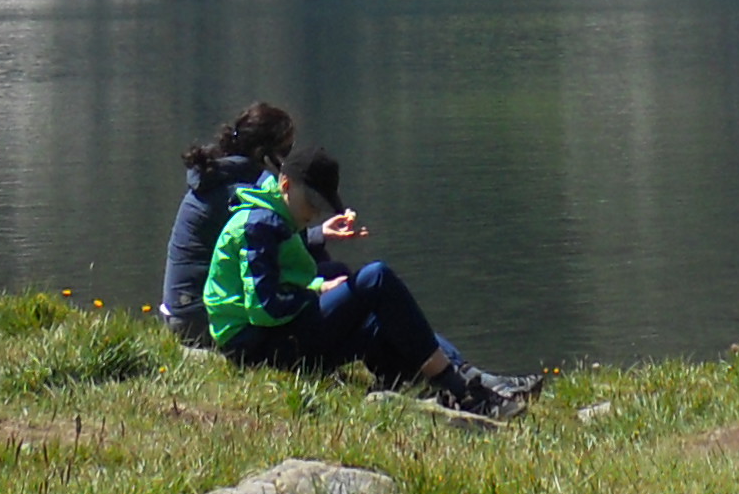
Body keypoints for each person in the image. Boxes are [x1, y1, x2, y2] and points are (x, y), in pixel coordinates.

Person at [202, 145, 539, 417]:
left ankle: (471, 380)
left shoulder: (275, 214)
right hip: (257, 346)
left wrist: (319, 286)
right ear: (286, 185)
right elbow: (264, 308)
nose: (315, 213)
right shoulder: (259, 224)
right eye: (312, 203)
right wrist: (315, 294)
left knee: (378, 315)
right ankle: (460, 388)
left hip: (272, 337)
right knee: (375, 278)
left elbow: (279, 279)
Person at [161, 103, 296, 346]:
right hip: (197, 318)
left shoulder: (219, 174)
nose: (290, 159)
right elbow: (272, 236)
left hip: (181, 311)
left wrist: (320, 234)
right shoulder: (238, 192)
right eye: (287, 150)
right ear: (263, 154)